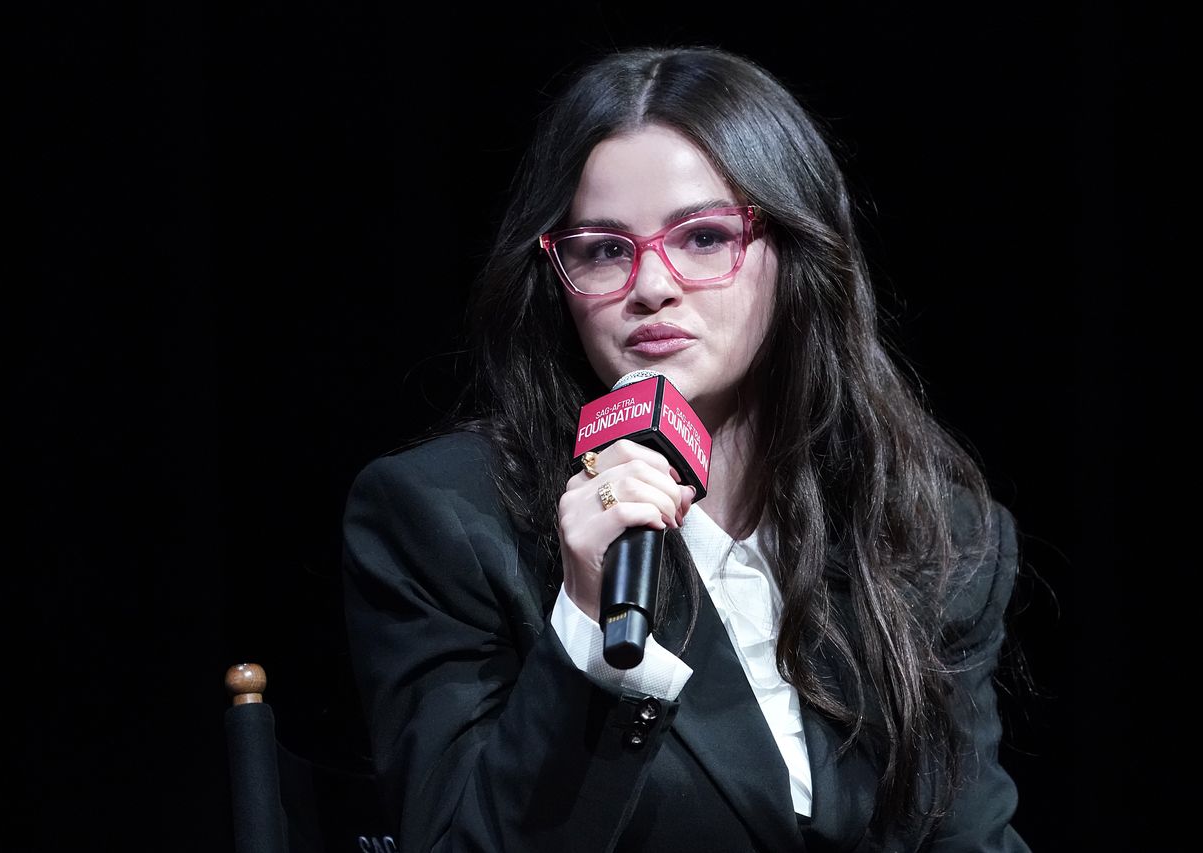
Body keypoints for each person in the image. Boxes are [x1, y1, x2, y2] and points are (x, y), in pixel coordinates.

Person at [341, 44, 1031, 852]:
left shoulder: (931, 532)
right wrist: (590, 633)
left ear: (795, 252)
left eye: (703, 237)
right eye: (602, 248)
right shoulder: (444, 518)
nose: (651, 285)